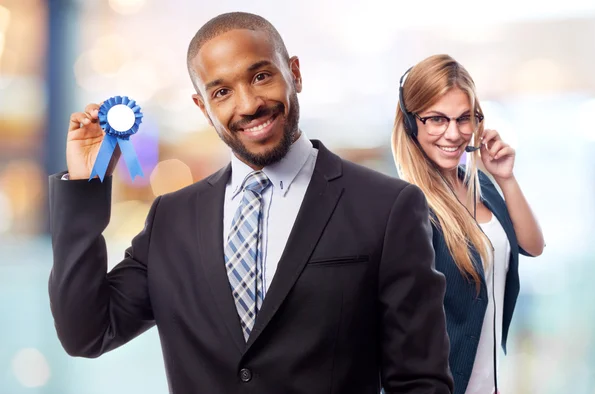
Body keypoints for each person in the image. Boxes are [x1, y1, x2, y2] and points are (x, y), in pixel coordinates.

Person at [48, 12, 454, 393]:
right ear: (203, 108)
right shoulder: (170, 219)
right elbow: (87, 332)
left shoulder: (387, 207)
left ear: (294, 73)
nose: (247, 104)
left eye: (260, 76)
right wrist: (85, 185)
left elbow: (420, 381)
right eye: (221, 92)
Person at [391, 54, 545, 394]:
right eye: (437, 119)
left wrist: (506, 178)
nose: (454, 132)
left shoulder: (481, 185)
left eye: (464, 118)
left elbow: (533, 246)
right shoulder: (406, 205)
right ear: (411, 121)